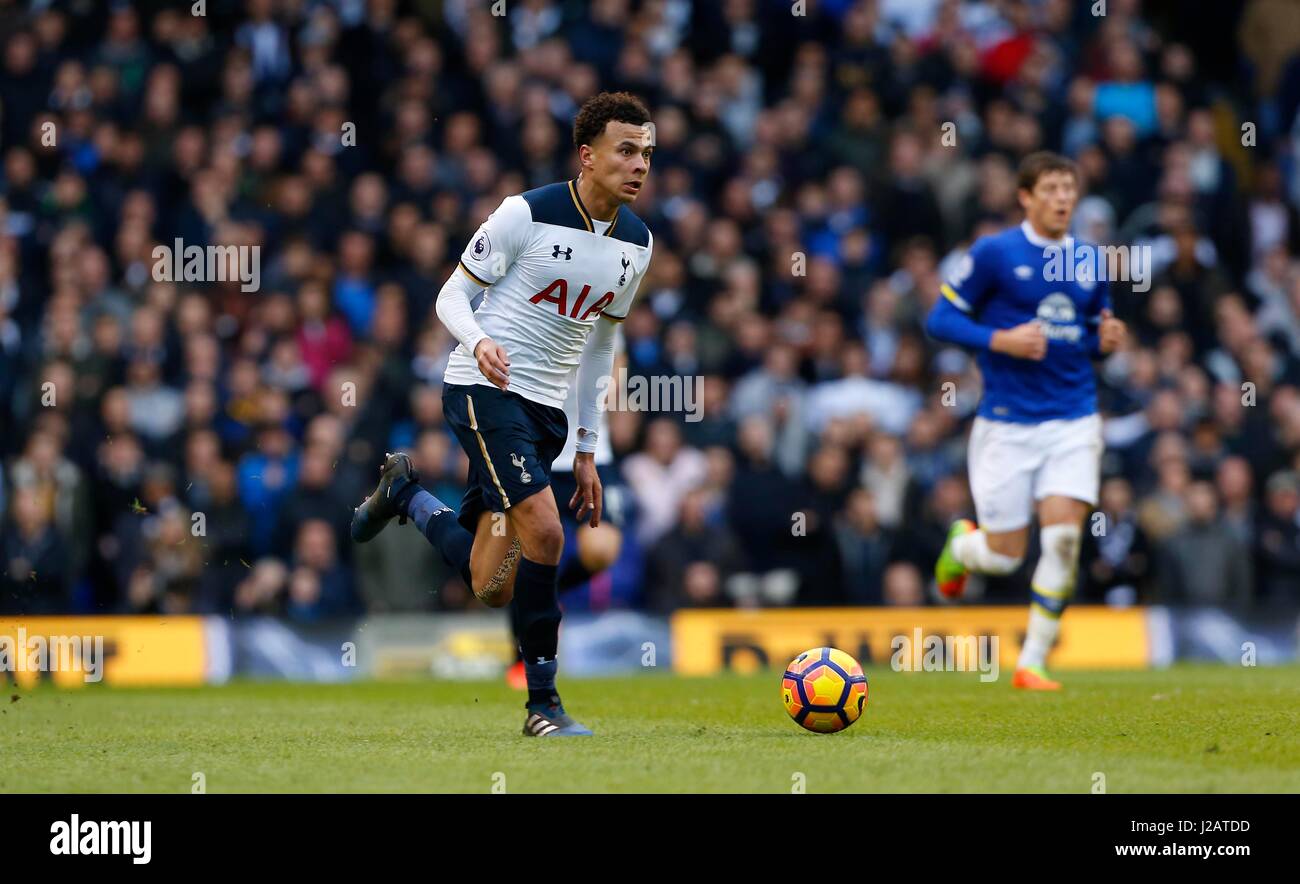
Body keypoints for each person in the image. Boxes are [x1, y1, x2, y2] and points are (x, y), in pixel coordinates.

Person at [350, 92, 654, 735]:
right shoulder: (526, 213)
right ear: (587, 154)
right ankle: (543, 705)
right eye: (626, 150)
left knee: (493, 583)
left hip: (546, 414)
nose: (639, 165)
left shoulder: (637, 243)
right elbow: (450, 296)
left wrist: (587, 447)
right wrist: (478, 340)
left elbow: (602, 347)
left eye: (647, 153)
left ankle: (404, 495)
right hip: (482, 389)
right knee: (546, 531)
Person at [925, 151, 1128, 690]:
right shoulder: (995, 253)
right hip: (1008, 423)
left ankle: (1031, 662)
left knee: (1063, 540)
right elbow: (939, 319)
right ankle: (961, 547)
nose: (1063, 198)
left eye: (1069, 188)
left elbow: (1085, 336)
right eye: (1051, 188)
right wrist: (1001, 340)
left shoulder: (1089, 260)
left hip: (1073, 418)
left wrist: (1103, 343)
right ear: (1025, 196)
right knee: (1003, 556)